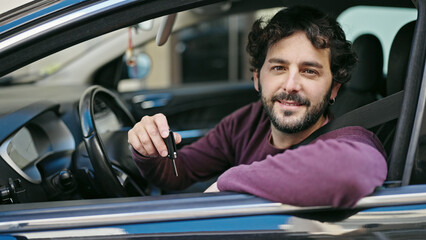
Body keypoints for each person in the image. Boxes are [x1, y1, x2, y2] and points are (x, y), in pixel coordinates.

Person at [128, 6, 388, 207]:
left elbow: (349, 171)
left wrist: (226, 183)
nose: (291, 84)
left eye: (309, 71)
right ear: (257, 78)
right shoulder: (248, 122)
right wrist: (148, 148)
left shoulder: (352, 139)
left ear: (333, 88)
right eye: (278, 67)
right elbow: (178, 172)